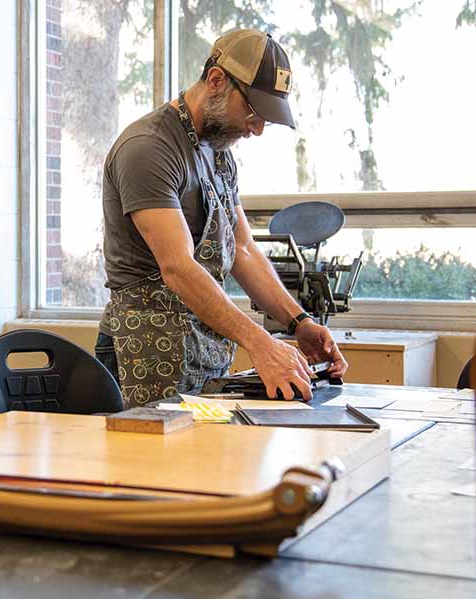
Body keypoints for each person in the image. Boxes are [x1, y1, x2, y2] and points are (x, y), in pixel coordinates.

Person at [95, 28, 348, 407]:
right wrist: (261, 344)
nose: (258, 129)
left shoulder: (218, 153)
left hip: (200, 350)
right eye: (254, 112)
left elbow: (243, 250)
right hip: (144, 353)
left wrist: (300, 323)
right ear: (216, 81)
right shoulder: (149, 149)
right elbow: (178, 267)